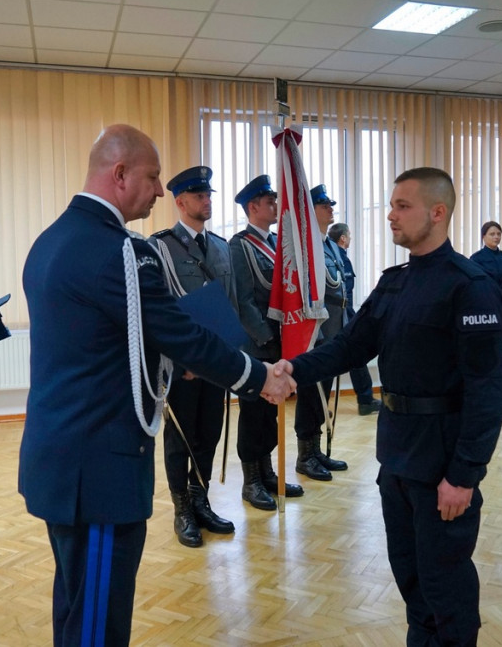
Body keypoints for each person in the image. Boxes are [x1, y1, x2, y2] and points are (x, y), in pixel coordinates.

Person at [18, 125, 294, 647]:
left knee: (77, 604)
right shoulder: (122, 251)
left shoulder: (51, 240)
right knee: (98, 622)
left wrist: (169, 361)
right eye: (153, 176)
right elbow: (181, 333)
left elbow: (97, 342)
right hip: (100, 469)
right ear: (119, 174)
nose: (162, 189)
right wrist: (259, 377)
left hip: (61, 459)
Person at [275, 167, 502, 646]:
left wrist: (465, 474)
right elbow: (350, 346)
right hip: (397, 456)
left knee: (446, 583)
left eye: (403, 206)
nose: (390, 215)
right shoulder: (395, 281)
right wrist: (291, 371)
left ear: (437, 212)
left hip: (442, 462)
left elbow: (488, 391)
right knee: (410, 575)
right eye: (392, 205)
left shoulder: (470, 286)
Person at [149, 165, 238, 548]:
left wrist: (231, 356)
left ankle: (201, 499)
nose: (207, 201)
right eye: (199, 196)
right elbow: (160, 311)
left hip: (215, 362)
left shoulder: (220, 246)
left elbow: (230, 305)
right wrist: (181, 361)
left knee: (209, 432)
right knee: (180, 437)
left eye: (209, 195)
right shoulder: (160, 247)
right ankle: (181, 508)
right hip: (183, 365)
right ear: (180, 201)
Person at [229, 174, 305, 510]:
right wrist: (269, 339)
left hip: (279, 342)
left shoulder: (277, 244)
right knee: (253, 413)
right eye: (269, 201)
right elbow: (243, 301)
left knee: (271, 415)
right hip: (257, 345)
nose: (276, 205)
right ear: (253, 207)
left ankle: (267, 472)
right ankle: (251, 481)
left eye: (275, 199)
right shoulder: (239, 245)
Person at [292, 184, 350, 481]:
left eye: (330, 204)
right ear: (310, 209)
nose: (330, 208)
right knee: (311, 394)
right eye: (324, 204)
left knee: (323, 393)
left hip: (334, 329)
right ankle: (305, 455)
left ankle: (316, 450)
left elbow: (342, 288)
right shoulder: (305, 246)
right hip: (316, 332)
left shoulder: (328, 244)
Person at [328, 222, 382, 415]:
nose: (350, 238)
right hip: (340, 316)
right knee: (350, 355)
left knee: (347, 356)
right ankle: (365, 399)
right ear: (343, 238)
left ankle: (365, 399)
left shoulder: (335, 255)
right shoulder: (338, 258)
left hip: (342, 315)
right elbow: (343, 295)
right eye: (348, 235)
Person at [471, 220, 502, 318]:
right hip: (484, 308)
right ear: (484, 237)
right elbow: (473, 288)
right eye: (492, 234)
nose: (496, 237)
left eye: (499, 234)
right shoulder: (476, 258)